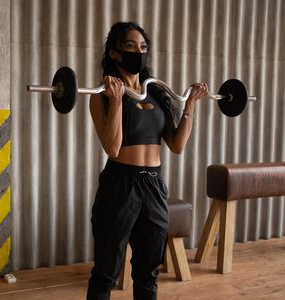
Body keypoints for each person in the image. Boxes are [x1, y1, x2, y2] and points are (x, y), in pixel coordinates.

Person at [86, 21, 208, 300]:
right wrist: (116, 101)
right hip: (120, 185)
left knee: (148, 271)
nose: (138, 53)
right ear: (114, 53)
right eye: (130, 47)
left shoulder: (155, 92)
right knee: (106, 271)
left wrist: (190, 105)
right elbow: (113, 148)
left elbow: (177, 145)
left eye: (143, 47)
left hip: (153, 186)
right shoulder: (101, 95)